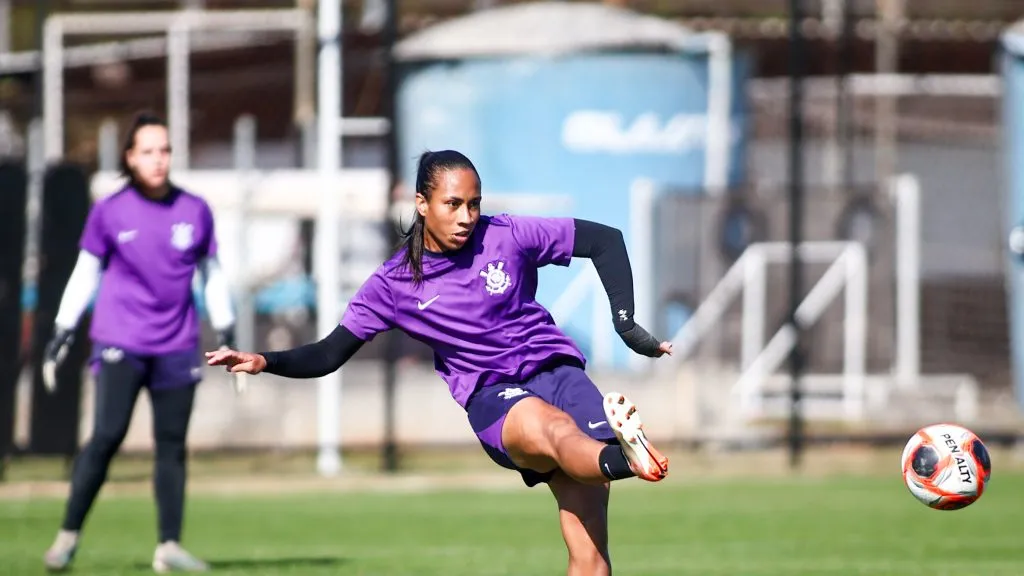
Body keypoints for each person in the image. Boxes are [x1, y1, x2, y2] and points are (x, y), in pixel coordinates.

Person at [207, 149, 671, 576]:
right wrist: (264, 359)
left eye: (474, 203)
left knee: (590, 557)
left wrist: (627, 326)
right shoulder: (394, 284)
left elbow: (604, 241)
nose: (467, 216)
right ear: (422, 203)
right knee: (552, 430)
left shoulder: (506, 233)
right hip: (495, 395)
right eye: (453, 204)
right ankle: (628, 456)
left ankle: (623, 456)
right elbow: (329, 353)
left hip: (557, 370)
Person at [42, 112, 237, 573]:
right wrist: (62, 330)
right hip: (120, 341)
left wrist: (227, 330)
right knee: (107, 435)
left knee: (171, 445)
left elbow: (211, 275)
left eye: (165, 150)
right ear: (130, 158)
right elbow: (86, 272)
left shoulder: (194, 210)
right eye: (148, 151)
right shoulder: (109, 211)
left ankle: (169, 547)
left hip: (177, 343)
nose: (158, 160)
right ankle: (67, 536)